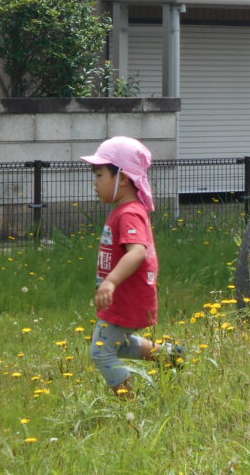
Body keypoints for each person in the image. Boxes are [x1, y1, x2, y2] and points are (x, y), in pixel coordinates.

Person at [80, 136, 183, 396]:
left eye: (100, 174)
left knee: (101, 352)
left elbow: (137, 251)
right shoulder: (123, 210)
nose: (95, 181)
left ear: (123, 178)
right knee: (119, 345)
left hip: (127, 298)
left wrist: (111, 282)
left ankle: (131, 406)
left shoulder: (128, 212)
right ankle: (170, 355)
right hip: (123, 298)